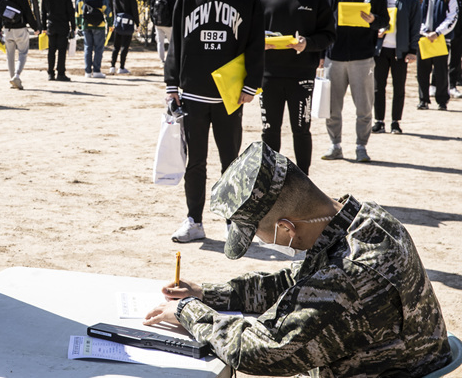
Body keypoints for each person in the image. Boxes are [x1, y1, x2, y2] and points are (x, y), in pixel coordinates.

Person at [144, 141, 452, 377]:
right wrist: (206, 293)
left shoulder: (348, 276)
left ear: (287, 228)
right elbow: (295, 281)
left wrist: (189, 312)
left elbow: (263, 351)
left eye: (258, 235)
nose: (260, 242)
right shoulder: (359, 218)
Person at [165, 0, 264, 242]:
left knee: (230, 162)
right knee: (195, 161)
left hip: (229, 95)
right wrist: (172, 86)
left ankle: (231, 221)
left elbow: (255, 46)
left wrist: (252, 84)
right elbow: (176, 45)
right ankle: (194, 220)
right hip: (193, 95)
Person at [258, 0, 334, 175]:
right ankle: (270, 178)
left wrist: (307, 43)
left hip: (302, 76)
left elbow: (329, 36)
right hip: (269, 76)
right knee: (269, 130)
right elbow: (249, 36)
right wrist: (258, 43)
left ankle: (304, 179)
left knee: (301, 129)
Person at [322, 0, 389, 163]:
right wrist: (323, 55)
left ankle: (361, 146)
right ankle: (335, 145)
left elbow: (385, 21)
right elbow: (324, 24)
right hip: (335, 57)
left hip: (363, 58)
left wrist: (373, 21)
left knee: (364, 106)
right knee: (333, 106)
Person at [372, 0, 421, 134]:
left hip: (400, 51)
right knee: (378, 87)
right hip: (380, 50)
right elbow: (369, 22)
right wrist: (375, 32)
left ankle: (395, 122)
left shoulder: (411, 1)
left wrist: (413, 49)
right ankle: (379, 121)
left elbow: (415, 27)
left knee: (399, 87)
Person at [416, 0, 458, 110]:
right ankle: (423, 100)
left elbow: (452, 17)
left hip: (441, 40)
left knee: (441, 72)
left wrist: (438, 32)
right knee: (422, 71)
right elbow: (415, 18)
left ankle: (442, 101)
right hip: (423, 40)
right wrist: (425, 32)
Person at [0, 0, 39, 90]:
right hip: (20, 28)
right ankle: (16, 76)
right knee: (23, 53)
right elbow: (27, 11)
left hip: (7, 28)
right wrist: (35, 27)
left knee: (10, 55)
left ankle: (11, 77)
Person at [75, 0, 111, 79]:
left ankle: (87, 72)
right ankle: (96, 71)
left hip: (86, 24)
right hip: (99, 24)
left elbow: (78, 11)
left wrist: (78, 24)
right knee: (99, 48)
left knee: (88, 47)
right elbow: (107, 10)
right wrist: (110, 23)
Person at [40, 0, 75, 81]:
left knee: (51, 50)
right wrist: (73, 27)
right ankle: (61, 73)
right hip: (63, 26)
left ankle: (50, 73)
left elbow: (43, 14)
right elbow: (70, 13)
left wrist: (43, 27)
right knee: (61, 50)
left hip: (51, 26)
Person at [109, 0, 139, 74]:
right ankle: (121, 67)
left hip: (117, 22)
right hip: (128, 23)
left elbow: (113, 9)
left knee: (116, 45)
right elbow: (134, 10)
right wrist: (137, 23)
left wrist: (113, 22)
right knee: (125, 46)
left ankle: (112, 66)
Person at [443, 0, 462, 98]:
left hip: (459, 35)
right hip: (444, 34)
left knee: (455, 61)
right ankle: (436, 85)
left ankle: (452, 86)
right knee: (441, 61)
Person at [151, 0, 175, 64]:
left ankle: (162, 60)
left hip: (157, 24)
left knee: (160, 42)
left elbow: (151, 11)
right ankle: (171, 59)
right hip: (168, 24)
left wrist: (154, 22)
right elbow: (174, 11)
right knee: (171, 42)